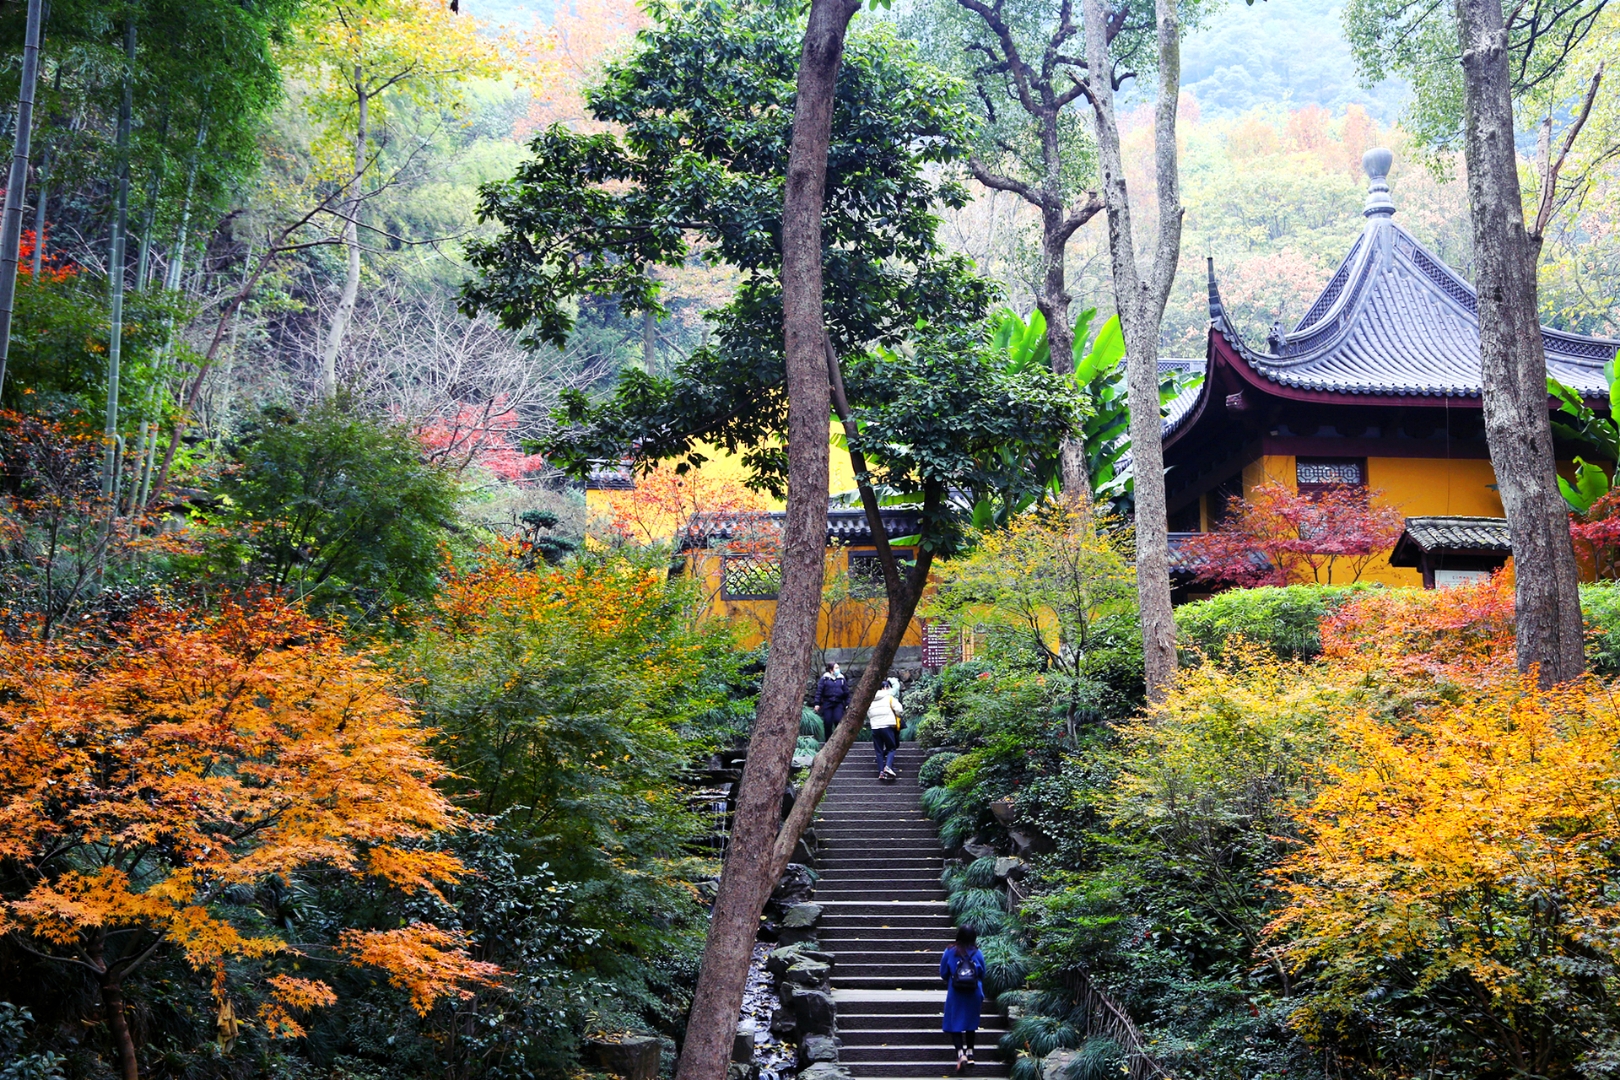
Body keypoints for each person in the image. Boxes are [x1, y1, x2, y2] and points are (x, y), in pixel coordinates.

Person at [940, 926, 986, 1071]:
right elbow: (983, 973)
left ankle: (960, 1053)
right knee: (971, 1022)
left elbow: (943, 973)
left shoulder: (950, 951)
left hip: (956, 992)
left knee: (955, 1022)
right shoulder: (977, 952)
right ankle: (970, 1053)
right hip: (973, 992)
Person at [867, 676, 903, 780]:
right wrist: (895, 715)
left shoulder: (871, 700)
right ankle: (888, 767)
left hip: (875, 727)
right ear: (884, 688)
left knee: (878, 751)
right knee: (891, 748)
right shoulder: (889, 697)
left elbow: (869, 713)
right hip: (887, 726)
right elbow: (899, 709)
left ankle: (881, 772)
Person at [815, 662, 850, 733]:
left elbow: (846, 692)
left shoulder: (842, 679)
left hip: (838, 703)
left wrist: (847, 704)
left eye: (838, 668)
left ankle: (839, 737)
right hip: (827, 703)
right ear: (831, 670)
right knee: (827, 722)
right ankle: (828, 738)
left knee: (838, 720)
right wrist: (817, 704)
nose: (838, 669)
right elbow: (819, 691)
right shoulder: (824, 678)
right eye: (836, 668)